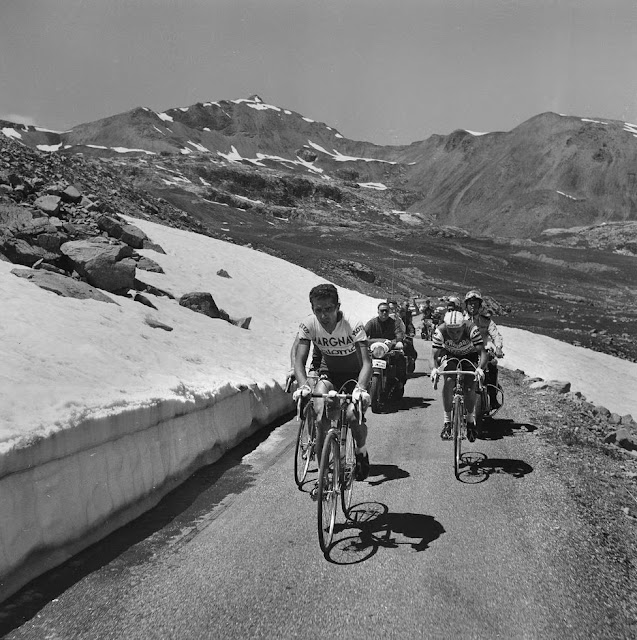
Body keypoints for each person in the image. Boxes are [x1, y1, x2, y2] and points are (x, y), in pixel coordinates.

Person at [293, 284, 372, 484]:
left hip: (356, 375)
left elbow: (366, 363)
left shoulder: (352, 324)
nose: (323, 315)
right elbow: (299, 360)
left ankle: (361, 451)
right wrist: (303, 385)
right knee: (320, 419)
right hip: (329, 374)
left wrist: (361, 388)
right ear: (312, 309)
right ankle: (323, 475)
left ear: (337, 306)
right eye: (318, 310)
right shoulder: (309, 325)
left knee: (353, 416)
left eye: (328, 309)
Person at [430, 310, 488, 442]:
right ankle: (447, 423)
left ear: (463, 326)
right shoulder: (440, 331)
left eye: (457, 331)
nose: (454, 335)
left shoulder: (471, 329)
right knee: (449, 380)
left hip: (470, 355)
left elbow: (483, 353)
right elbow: (433, 355)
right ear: (446, 327)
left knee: (469, 387)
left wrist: (480, 368)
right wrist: (434, 369)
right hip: (449, 355)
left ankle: (469, 420)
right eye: (451, 331)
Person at [463, 289, 504, 409]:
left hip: (482, 353)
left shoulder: (486, 321)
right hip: (464, 352)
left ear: (480, 305)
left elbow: (496, 335)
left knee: (492, 365)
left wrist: (498, 348)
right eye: (470, 302)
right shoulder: (460, 320)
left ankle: (492, 398)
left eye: (475, 302)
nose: (473, 305)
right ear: (466, 305)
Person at [364, 301, 407, 384]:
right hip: (374, 350)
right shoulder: (371, 323)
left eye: (386, 311)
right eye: (382, 310)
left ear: (389, 311)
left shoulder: (394, 323)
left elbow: (398, 333)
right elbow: (363, 335)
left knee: (401, 359)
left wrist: (399, 341)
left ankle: (400, 383)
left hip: (389, 350)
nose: (384, 312)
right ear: (378, 311)